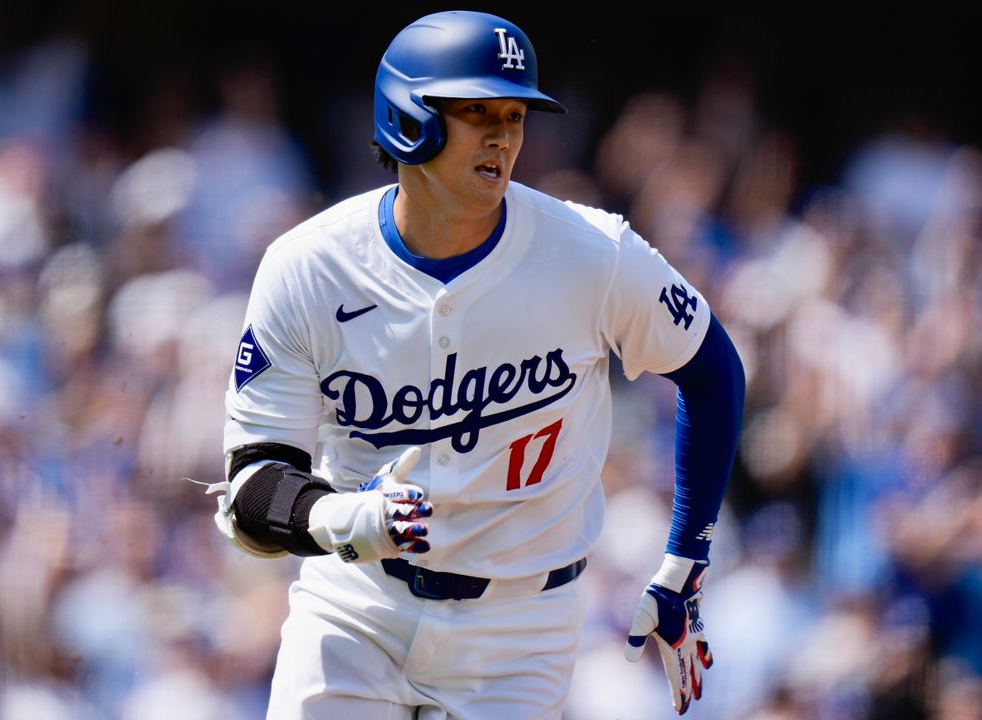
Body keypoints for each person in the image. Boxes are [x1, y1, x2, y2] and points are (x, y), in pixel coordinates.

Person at [201, 10, 745, 718]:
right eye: (475, 111)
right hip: (357, 608)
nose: (503, 135)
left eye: (515, 115)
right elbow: (253, 491)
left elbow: (713, 372)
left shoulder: (591, 251)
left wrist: (685, 560)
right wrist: (345, 518)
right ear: (405, 119)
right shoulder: (310, 265)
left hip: (520, 633)